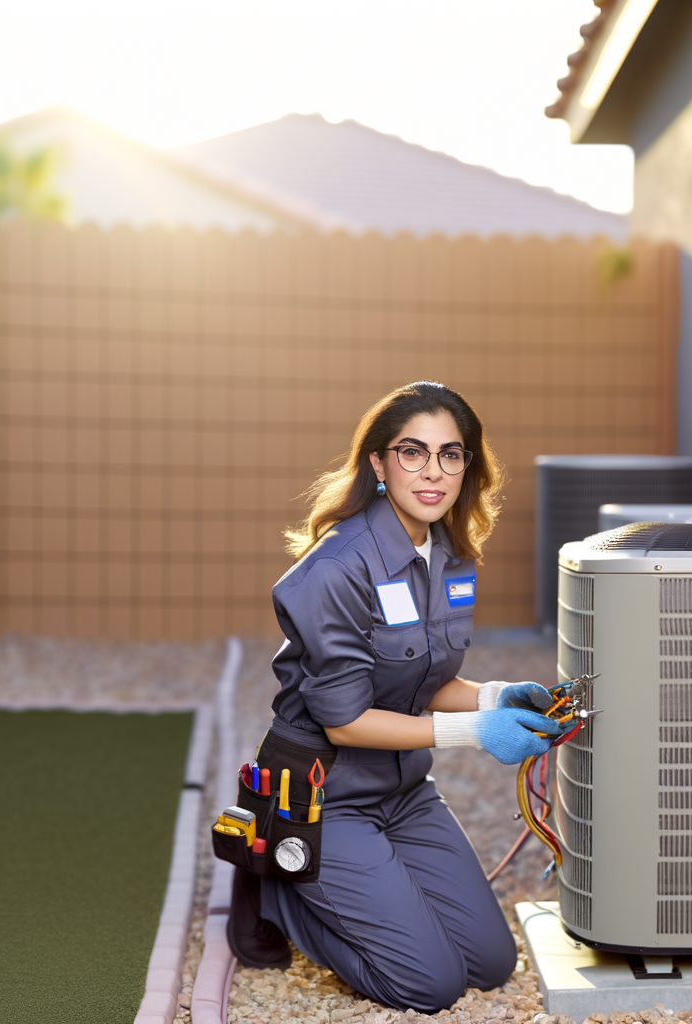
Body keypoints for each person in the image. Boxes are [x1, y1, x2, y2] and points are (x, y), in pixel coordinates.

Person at [228, 380, 568, 1009]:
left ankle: (353, 885)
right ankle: (276, 884)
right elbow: (346, 721)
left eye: (450, 454)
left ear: (468, 467)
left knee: (489, 964)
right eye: (413, 452)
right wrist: (476, 732)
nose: (433, 471)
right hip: (323, 797)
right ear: (379, 464)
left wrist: (496, 697)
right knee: (428, 984)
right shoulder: (336, 568)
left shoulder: (451, 555)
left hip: (404, 791)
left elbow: (421, 680)